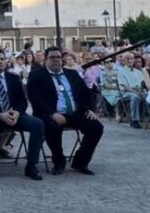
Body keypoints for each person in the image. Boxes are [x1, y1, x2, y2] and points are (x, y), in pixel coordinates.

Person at [27, 47, 104, 175]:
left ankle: (80, 161)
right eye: (52, 57)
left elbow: (87, 93)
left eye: (58, 57)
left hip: (75, 113)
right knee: (53, 128)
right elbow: (35, 98)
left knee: (96, 127)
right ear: (45, 60)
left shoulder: (72, 74)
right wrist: (52, 113)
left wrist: (90, 109)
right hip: (50, 114)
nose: (56, 60)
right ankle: (59, 162)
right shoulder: (37, 76)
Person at [0, 49, 43, 181]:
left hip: (14, 114)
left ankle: (31, 165)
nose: (0, 62)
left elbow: (22, 101)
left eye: (2, 59)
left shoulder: (14, 78)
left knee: (37, 124)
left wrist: (17, 112)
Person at [117, 52, 145, 129]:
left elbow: (142, 84)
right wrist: (137, 92)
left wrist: (142, 91)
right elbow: (125, 87)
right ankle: (134, 120)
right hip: (126, 92)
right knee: (135, 97)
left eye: (131, 59)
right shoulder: (121, 72)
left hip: (139, 90)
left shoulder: (138, 72)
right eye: (127, 59)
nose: (130, 61)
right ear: (124, 60)